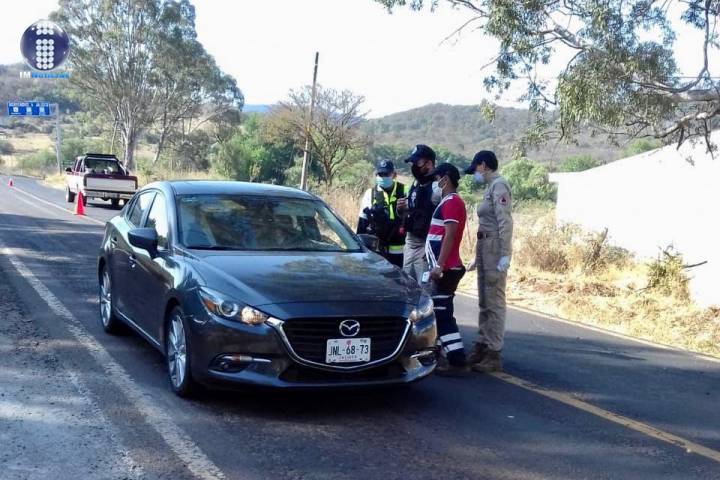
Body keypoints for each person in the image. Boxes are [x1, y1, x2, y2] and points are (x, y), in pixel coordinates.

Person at [465, 150, 513, 373]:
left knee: (494, 300)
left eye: (476, 169)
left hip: (494, 247)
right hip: (484, 246)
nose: (475, 173)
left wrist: (505, 253)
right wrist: (477, 257)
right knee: (484, 300)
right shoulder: (490, 187)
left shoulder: (499, 185)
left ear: (483, 165)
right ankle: (482, 344)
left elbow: (505, 221)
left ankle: (494, 351)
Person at [425, 163, 470, 377]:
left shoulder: (452, 202)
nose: (435, 183)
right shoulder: (447, 201)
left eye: (437, 179)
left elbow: (449, 235)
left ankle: (457, 360)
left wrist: (439, 265)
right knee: (440, 313)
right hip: (445, 266)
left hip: (446, 268)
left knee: (442, 316)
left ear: (445, 179)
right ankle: (447, 353)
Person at [397, 144, 442, 286]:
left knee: (424, 290)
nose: (414, 166)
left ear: (429, 163)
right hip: (410, 243)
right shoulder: (415, 184)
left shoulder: (438, 187)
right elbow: (410, 212)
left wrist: (434, 250)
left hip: (425, 246)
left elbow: (447, 223)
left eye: (417, 162)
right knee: (407, 287)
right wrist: (401, 210)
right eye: (412, 163)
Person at [357, 160, 407, 267]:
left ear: (394, 175)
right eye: (380, 174)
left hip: (399, 250)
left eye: (386, 174)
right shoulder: (370, 194)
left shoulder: (404, 191)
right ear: (376, 175)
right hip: (377, 248)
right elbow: (362, 223)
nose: (383, 177)